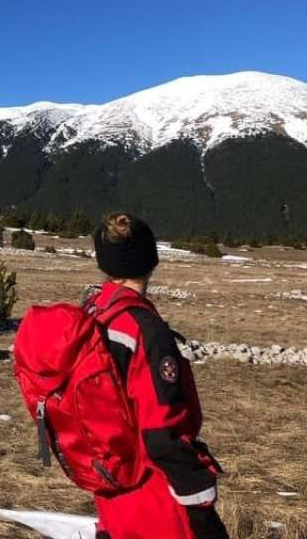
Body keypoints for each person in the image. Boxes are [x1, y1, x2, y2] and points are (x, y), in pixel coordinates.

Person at [89, 213, 229, 539]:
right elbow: (161, 429)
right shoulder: (144, 329)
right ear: (151, 261)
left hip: (111, 478)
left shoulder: (95, 313)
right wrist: (199, 498)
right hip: (153, 487)